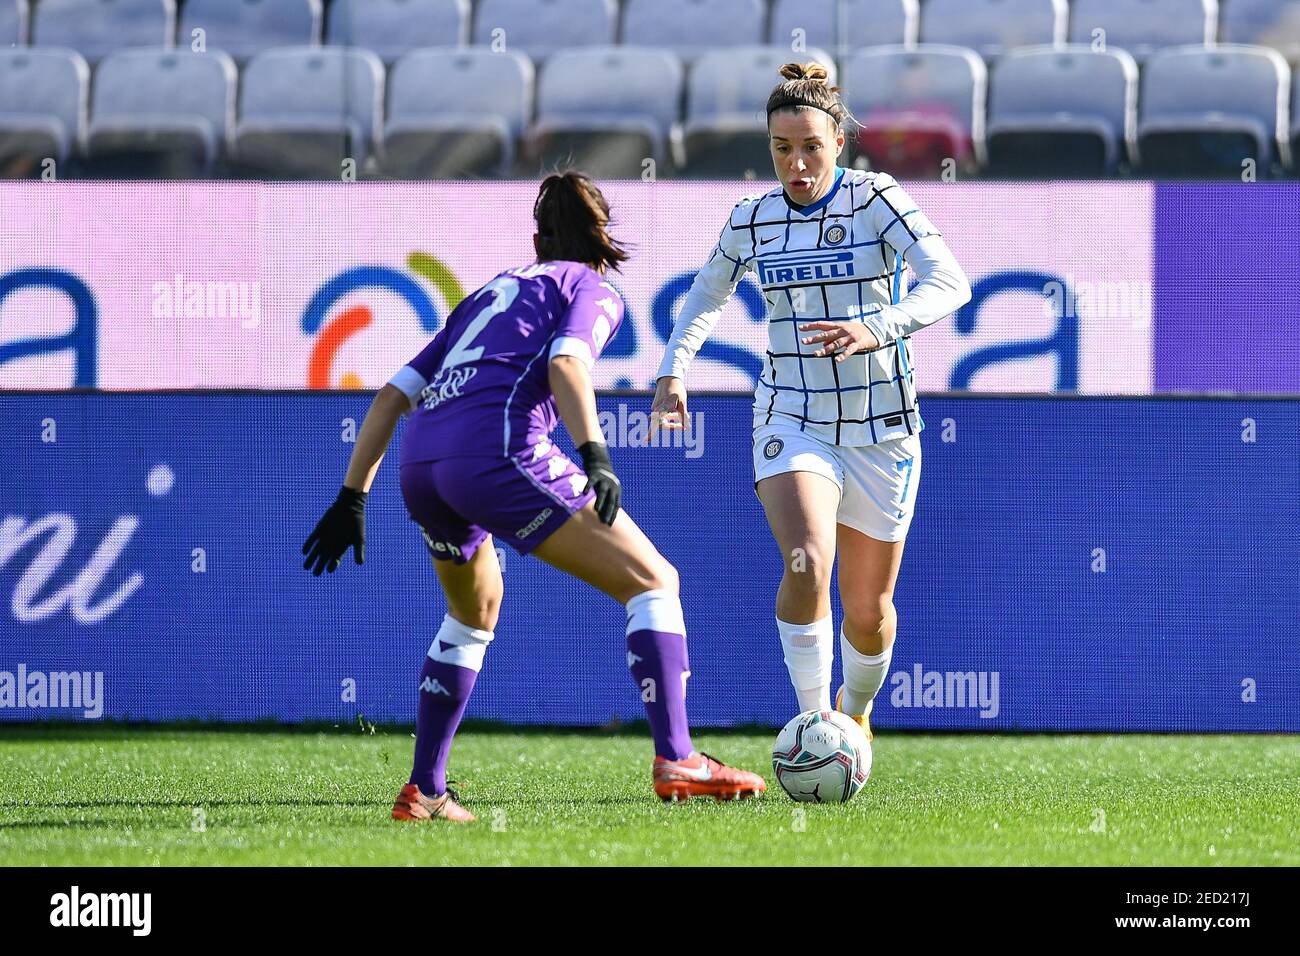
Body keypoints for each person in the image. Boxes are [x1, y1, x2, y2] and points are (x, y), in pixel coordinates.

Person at [303, 171, 766, 822]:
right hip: (496, 452)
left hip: (420, 464)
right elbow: (567, 367)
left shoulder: (489, 293)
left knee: (473, 613)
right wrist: (594, 455)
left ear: (537, 237)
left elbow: (391, 396)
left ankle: (425, 792)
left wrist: (353, 496)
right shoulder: (590, 288)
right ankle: (678, 759)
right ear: (604, 235)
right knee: (654, 582)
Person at [652, 63, 972, 741]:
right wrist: (673, 371)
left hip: (881, 427)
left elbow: (949, 282)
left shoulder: (876, 198)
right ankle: (811, 723)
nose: (796, 165)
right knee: (806, 559)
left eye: (810, 148)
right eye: (781, 149)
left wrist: (874, 326)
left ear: (838, 145)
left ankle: (854, 715)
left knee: (868, 609)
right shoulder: (752, 217)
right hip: (790, 414)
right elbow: (707, 294)